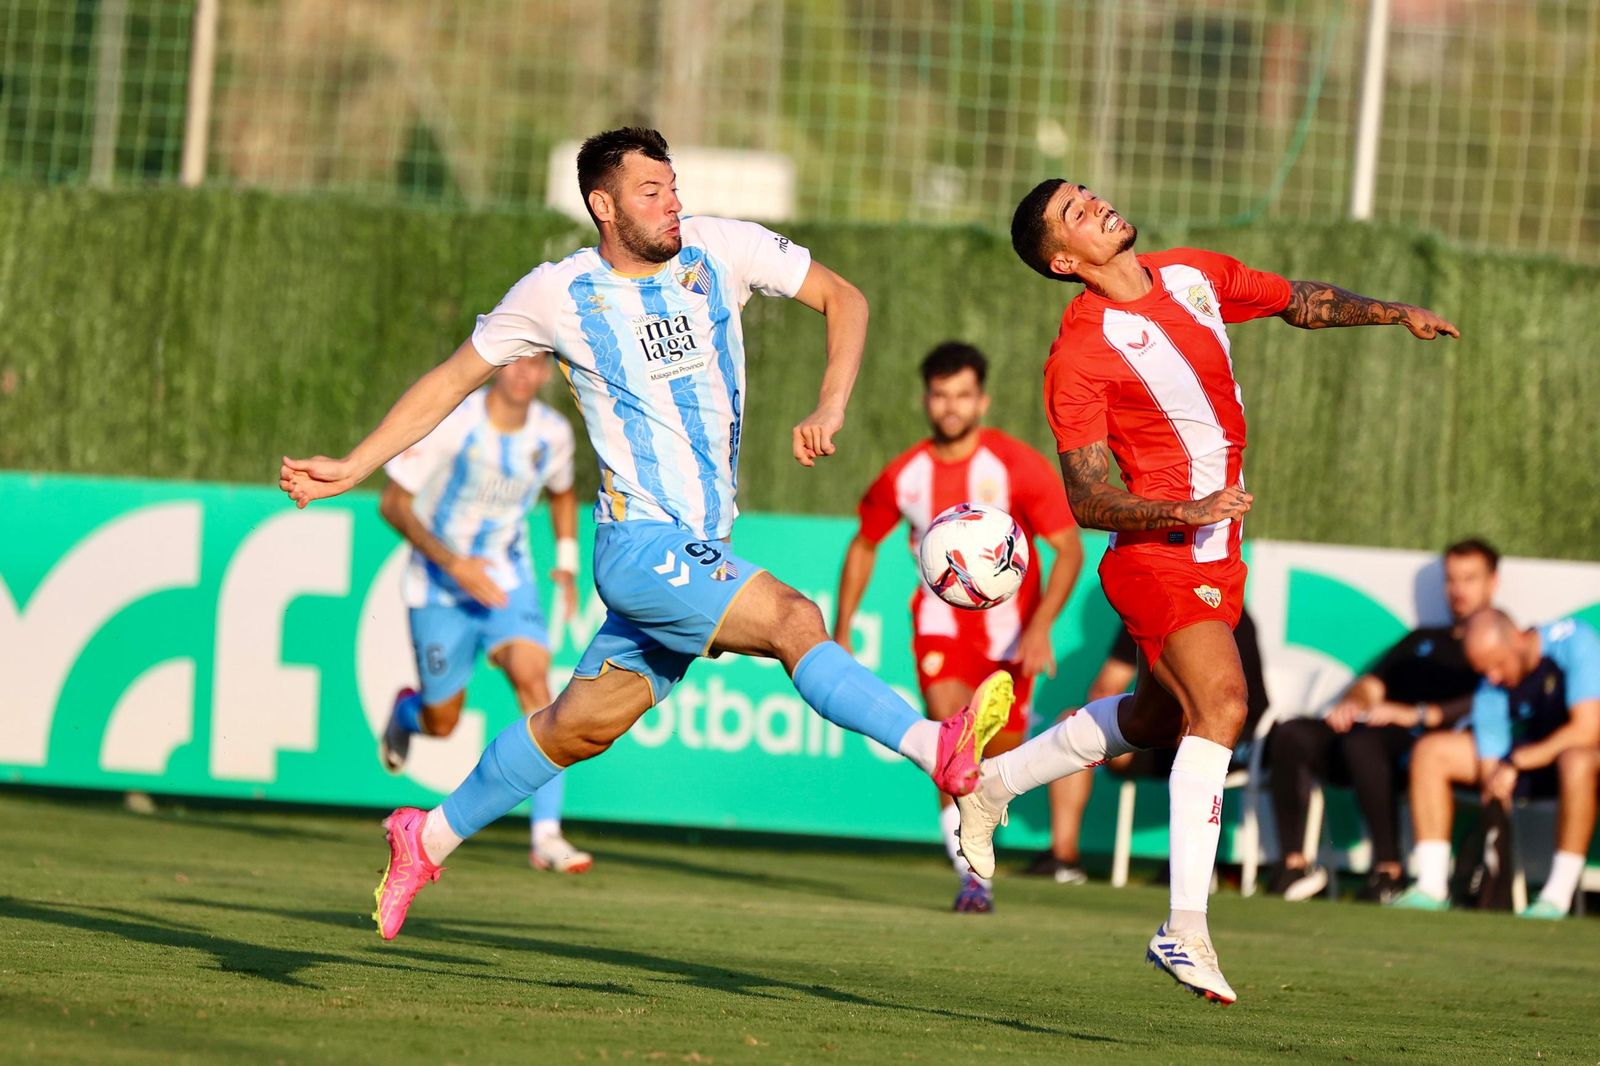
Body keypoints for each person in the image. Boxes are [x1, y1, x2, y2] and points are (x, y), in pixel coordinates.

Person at [279, 127, 1016, 941]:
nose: (673, 205)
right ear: (603, 204)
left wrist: (832, 402)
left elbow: (847, 298)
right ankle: (934, 747)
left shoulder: (717, 251)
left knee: (577, 726)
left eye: (673, 188)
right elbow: (453, 379)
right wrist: (353, 465)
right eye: (650, 193)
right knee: (794, 620)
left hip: (700, 548)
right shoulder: (557, 294)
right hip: (638, 546)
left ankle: (426, 836)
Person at [952, 179, 1458, 1004]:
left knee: (1153, 719)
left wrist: (1393, 310)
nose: (1099, 206)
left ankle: (996, 781)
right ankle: (1184, 928)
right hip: (1154, 557)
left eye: (1089, 194)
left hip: (1220, 551)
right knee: (1223, 703)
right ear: (1062, 262)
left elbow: (1299, 301)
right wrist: (1181, 508)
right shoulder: (1078, 353)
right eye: (1077, 213)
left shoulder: (1191, 273)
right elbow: (1086, 498)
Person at [833, 340, 1084, 913]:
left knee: (1000, 753)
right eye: (941, 395)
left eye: (962, 396)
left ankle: (1027, 748)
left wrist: (1043, 625)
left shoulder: (1014, 465)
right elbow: (864, 544)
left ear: (982, 400)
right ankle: (974, 878)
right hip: (938, 627)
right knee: (953, 741)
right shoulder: (907, 474)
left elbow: (1068, 548)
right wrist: (842, 628)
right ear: (926, 399)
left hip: (1013, 633)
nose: (951, 407)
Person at [377, 354, 593, 874]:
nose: (524, 373)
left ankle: (546, 834)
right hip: (438, 586)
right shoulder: (453, 422)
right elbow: (392, 504)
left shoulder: (553, 433)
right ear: (498, 366)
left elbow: (562, 493)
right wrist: (455, 563)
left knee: (535, 680)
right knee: (442, 721)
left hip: (507, 583)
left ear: (546, 373)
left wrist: (565, 562)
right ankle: (407, 714)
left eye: (536, 364)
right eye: (515, 362)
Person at [1267, 539, 1498, 904]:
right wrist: (1353, 703)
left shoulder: (1493, 644)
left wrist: (1415, 714)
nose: (1458, 590)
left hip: (1422, 748)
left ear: (1492, 582)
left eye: (1469, 579)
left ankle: (1388, 871)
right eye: (1451, 579)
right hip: (1367, 737)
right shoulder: (1422, 639)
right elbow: (1372, 685)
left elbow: (1492, 700)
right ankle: (1293, 868)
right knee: (1293, 732)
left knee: (1365, 742)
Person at [1030, 611, 1266, 885]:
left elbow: (1224, 704)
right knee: (1072, 721)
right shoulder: (1146, 607)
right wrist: (1129, 728)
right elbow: (1105, 689)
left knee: (1196, 737)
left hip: (1231, 737)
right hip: (1168, 732)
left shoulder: (1225, 611)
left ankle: (1192, 870)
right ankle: (1063, 860)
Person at [1391, 609, 1600, 917]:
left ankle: (1556, 897)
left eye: (1499, 665)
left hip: (1577, 762)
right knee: (1430, 751)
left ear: (1517, 638)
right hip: (1526, 766)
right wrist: (1493, 821)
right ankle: (1432, 887)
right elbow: (1492, 764)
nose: (1494, 678)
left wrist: (1518, 761)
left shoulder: (1574, 641)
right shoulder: (1491, 683)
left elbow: (1588, 729)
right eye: (1485, 671)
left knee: (1576, 759)